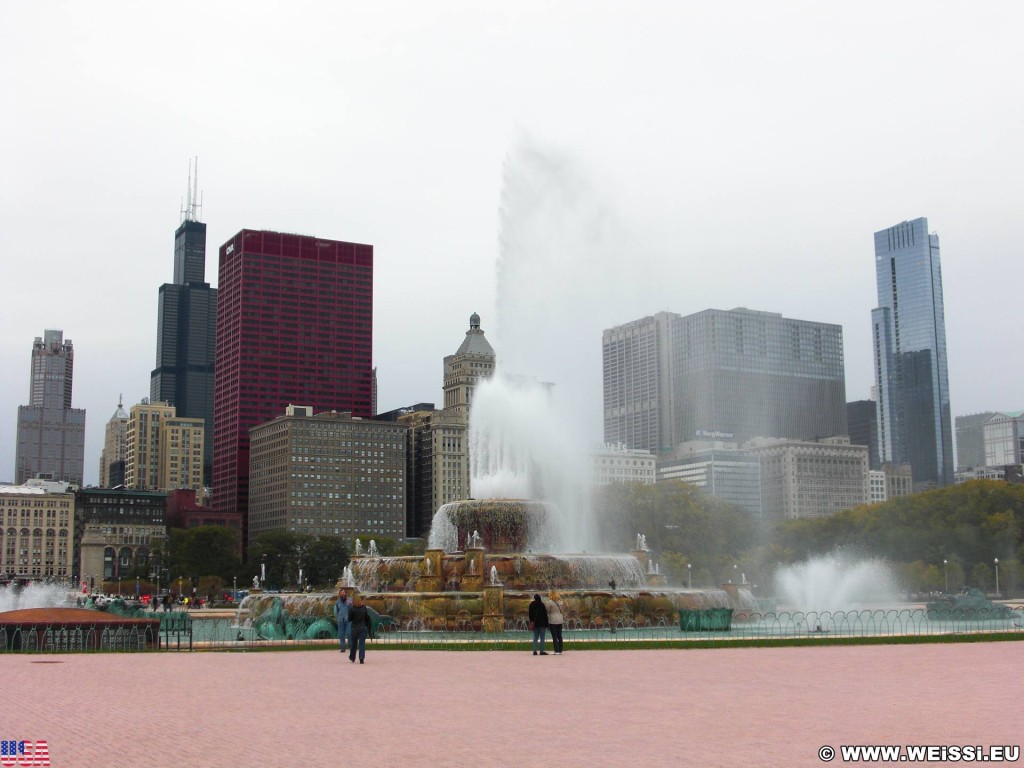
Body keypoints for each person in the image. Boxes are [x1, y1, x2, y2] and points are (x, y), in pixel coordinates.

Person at [348, 594, 372, 664]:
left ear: (353, 601)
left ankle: (352, 657)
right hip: (363, 628)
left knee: (354, 644)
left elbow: (349, 619)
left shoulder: (351, 608)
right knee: (362, 644)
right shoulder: (364, 607)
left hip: (354, 628)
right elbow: (366, 617)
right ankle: (361, 658)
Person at [544, 590, 565, 655]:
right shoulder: (561, 602)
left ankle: (556, 651)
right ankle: (560, 650)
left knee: (554, 636)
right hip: (560, 619)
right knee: (560, 635)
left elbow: (547, 610)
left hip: (553, 620)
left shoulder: (550, 602)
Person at [334, 589, 352, 653]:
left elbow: (352, 609)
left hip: (348, 620)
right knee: (341, 634)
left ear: (345, 594)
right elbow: (337, 611)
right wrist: (337, 618)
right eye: (341, 593)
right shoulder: (338, 602)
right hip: (340, 620)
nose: (343, 594)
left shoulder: (350, 601)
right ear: (339, 595)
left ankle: (351, 646)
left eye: (343, 593)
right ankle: (343, 647)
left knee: (349, 633)